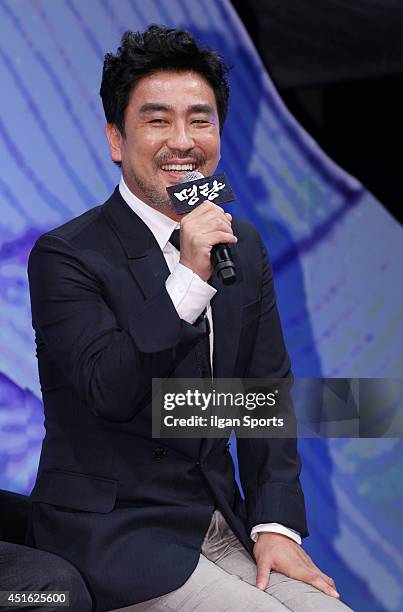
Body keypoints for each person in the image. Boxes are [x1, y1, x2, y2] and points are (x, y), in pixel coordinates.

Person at [27, 25, 352, 612]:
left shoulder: (241, 244)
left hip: (217, 522)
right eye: (157, 121)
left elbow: (264, 392)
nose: (183, 141)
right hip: (114, 538)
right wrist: (190, 279)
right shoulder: (67, 255)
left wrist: (276, 523)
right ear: (116, 140)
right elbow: (108, 388)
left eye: (200, 120)